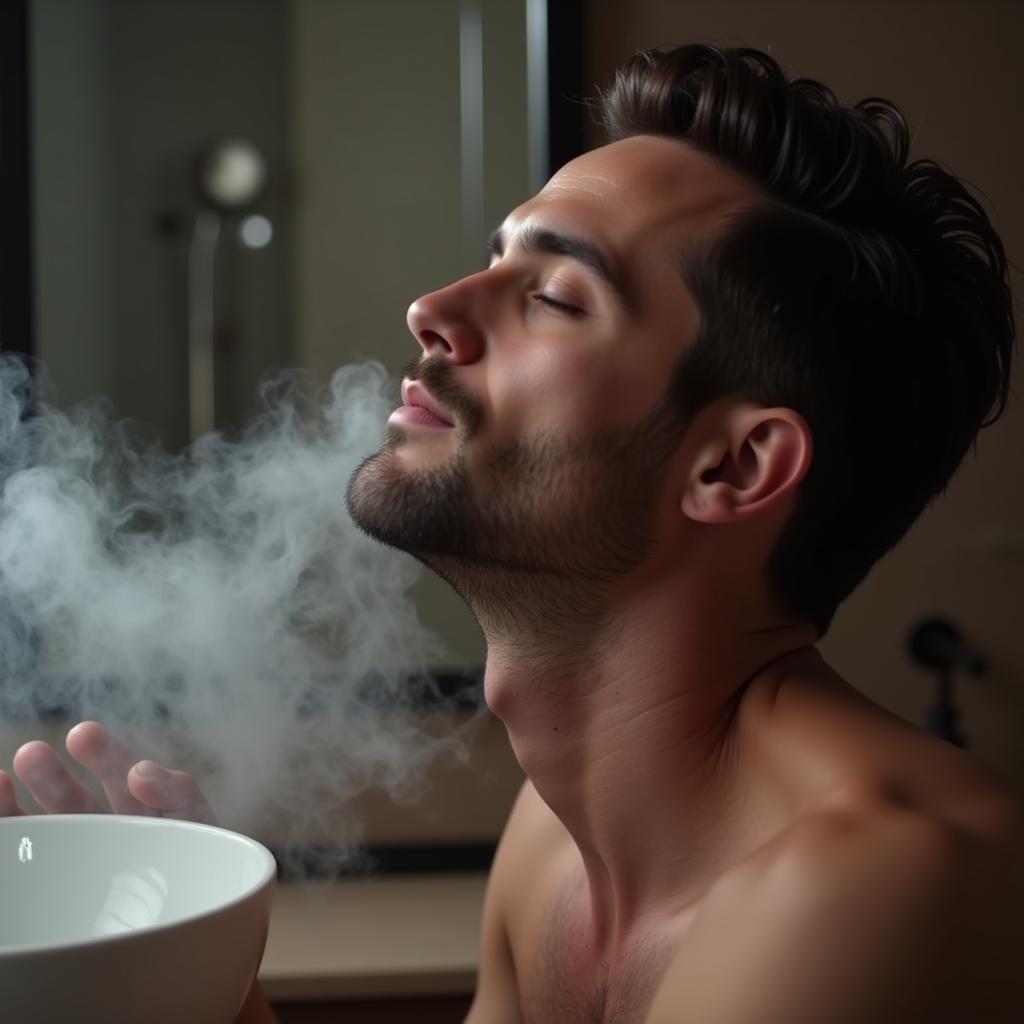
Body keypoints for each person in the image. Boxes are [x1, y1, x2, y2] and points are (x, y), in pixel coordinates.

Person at [2, 43, 1021, 1023]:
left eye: (554, 296)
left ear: (733, 467)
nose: (431, 308)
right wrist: (187, 971)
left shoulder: (871, 883)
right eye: (494, 258)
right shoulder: (553, 837)